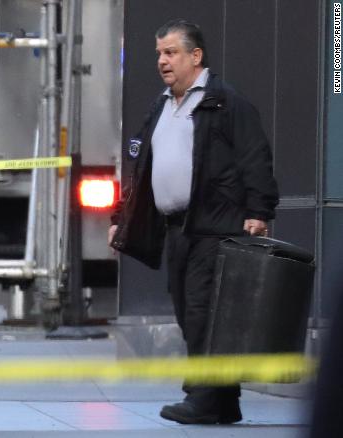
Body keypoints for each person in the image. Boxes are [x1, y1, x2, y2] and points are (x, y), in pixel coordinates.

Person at [108, 19, 279, 425]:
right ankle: (224, 400)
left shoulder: (226, 103)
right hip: (177, 229)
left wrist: (258, 211)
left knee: (204, 313)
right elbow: (140, 166)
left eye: (171, 52)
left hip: (215, 227)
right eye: (158, 54)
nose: (162, 61)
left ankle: (201, 398)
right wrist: (121, 216)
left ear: (195, 56)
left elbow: (255, 158)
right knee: (190, 313)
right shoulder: (162, 106)